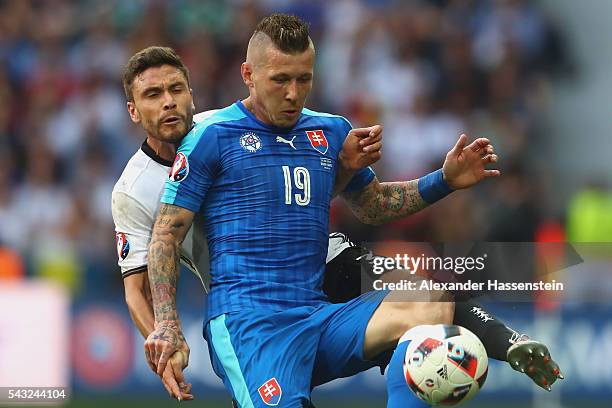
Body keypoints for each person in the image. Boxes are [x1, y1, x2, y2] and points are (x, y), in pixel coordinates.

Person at [143, 15, 561, 406]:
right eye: (280, 80)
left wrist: (445, 180)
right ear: (248, 75)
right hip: (250, 326)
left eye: (303, 79)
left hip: (318, 315)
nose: (293, 93)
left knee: (429, 305)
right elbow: (166, 235)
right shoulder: (212, 138)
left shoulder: (331, 132)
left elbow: (376, 205)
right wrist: (166, 323)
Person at [112, 45, 383, 401]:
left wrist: (346, 166)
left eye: (176, 89)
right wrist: (163, 339)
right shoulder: (133, 190)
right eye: (153, 94)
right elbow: (137, 289)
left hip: (328, 263)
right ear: (133, 111)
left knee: (443, 304)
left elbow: (298, 186)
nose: (168, 102)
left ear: (191, 93)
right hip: (252, 309)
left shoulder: (229, 127)